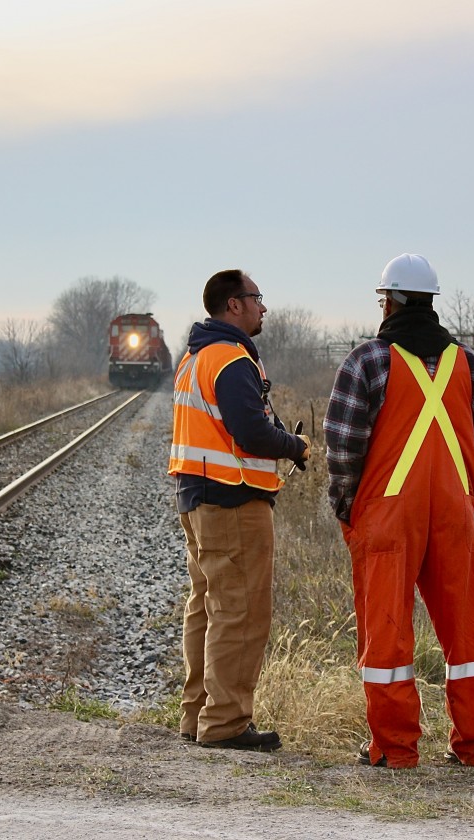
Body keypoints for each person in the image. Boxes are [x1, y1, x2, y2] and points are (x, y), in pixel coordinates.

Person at [324, 253, 474, 768]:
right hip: (454, 515)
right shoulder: (468, 364)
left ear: (389, 302)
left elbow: (343, 448)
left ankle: (395, 749)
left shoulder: (366, 361)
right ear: (431, 302)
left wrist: (349, 508)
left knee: (387, 634)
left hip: (386, 516)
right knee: (469, 634)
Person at [168, 269, 311, 751]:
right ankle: (226, 723)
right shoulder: (231, 360)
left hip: (198, 497)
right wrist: (297, 447)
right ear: (234, 305)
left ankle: (197, 716)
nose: (263, 307)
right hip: (233, 498)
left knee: (206, 608)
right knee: (241, 612)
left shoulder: (195, 357)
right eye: (257, 298)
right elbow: (250, 431)